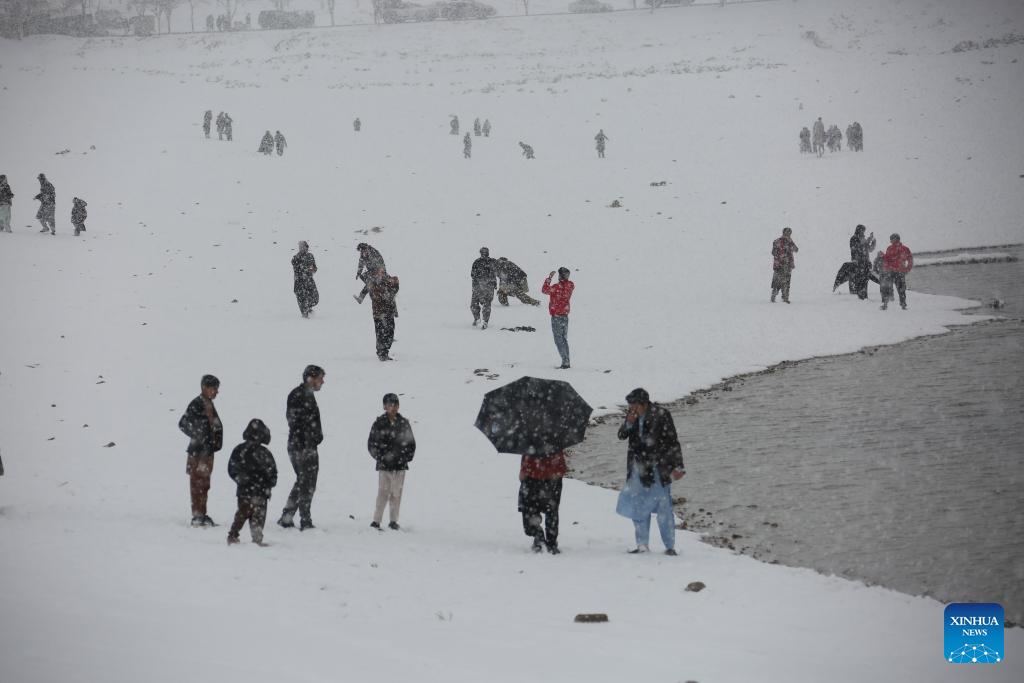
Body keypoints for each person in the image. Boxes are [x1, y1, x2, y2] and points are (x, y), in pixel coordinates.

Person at [615, 388, 685, 556]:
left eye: (634, 405)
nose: (631, 408)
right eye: (630, 405)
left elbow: (673, 441)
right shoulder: (632, 415)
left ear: (643, 403)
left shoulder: (662, 414)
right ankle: (642, 544)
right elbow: (621, 435)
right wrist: (628, 423)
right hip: (637, 467)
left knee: (664, 507)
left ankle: (670, 546)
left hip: (658, 467)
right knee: (638, 505)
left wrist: (678, 465)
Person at [278, 365, 325, 531]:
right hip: (301, 446)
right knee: (306, 481)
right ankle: (304, 518)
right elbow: (295, 421)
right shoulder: (298, 395)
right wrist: (309, 438)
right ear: (311, 378)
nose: (322, 382)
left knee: (305, 481)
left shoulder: (307, 395)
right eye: (320, 378)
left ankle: (288, 515)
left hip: (305, 445)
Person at [178, 374, 224, 528]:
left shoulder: (208, 403)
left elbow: (214, 425)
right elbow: (183, 423)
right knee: (197, 484)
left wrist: (215, 442)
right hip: (198, 453)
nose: (216, 392)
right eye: (214, 388)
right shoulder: (196, 403)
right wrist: (199, 435)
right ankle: (197, 515)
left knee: (204, 484)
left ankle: (202, 514)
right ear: (205, 388)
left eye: (217, 389)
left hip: (207, 452)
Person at [367, 393, 416, 530]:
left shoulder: (404, 423)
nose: (393, 408)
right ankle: (376, 520)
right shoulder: (379, 424)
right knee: (383, 493)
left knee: (396, 494)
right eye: (390, 405)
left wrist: (406, 457)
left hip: (400, 466)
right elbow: (371, 444)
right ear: (384, 406)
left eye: (395, 405)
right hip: (385, 466)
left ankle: (393, 520)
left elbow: (411, 443)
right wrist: (381, 457)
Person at [226, 418, 278, 546]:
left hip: (245, 489)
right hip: (260, 490)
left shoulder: (240, 450)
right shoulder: (264, 452)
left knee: (242, 513)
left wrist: (240, 479)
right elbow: (272, 472)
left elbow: (232, 468)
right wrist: (269, 484)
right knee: (258, 516)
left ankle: (233, 535)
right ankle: (256, 539)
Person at [518, 450, 567, 554]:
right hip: (545, 473)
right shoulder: (556, 442)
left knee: (536, 510)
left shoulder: (529, 443)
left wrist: (524, 471)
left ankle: (544, 539)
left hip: (541, 474)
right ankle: (546, 540)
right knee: (549, 510)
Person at [542, 267, 574, 369]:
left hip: (556, 316)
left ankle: (565, 361)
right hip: (565, 315)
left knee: (558, 340)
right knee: (564, 339)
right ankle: (566, 360)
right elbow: (568, 285)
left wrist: (549, 278)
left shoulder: (556, 287)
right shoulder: (570, 285)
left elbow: (544, 290)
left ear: (560, 276)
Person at [368, 269, 400, 361]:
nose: (382, 273)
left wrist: (395, 282)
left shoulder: (387, 280)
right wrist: (386, 292)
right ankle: (382, 353)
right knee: (381, 333)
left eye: (383, 271)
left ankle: (385, 351)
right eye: (380, 271)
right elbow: (375, 296)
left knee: (390, 332)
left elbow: (394, 290)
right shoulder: (372, 282)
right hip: (379, 314)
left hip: (389, 312)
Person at [881, 233, 913, 310]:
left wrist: (907, 269)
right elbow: (887, 259)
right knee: (889, 288)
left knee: (898, 289)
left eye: (892, 239)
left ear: (897, 239)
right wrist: (883, 257)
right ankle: (886, 304)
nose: (890, 240)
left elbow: (910, 260)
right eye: (890, 239)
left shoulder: (904, 248)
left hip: (898, 271)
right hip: (892, 271)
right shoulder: (890, 248)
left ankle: (902, 305)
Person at [470, 246, 496, 329]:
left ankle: (481, 320)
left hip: (484, 287)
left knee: (480, 304)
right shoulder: (490, 262)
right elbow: (473, 274)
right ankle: (481, 320)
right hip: (483, 287)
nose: (484, 254)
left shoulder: (479, 262)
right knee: (482, 304)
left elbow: (472, 275)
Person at [770, 227, 798, 304]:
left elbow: (773, 253)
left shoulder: (777, 241)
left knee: (778, 281)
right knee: (786, 282)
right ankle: (784, 297)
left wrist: (780, 256)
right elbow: (796, 249)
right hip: (786, 265)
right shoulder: (788, 242)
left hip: (779, 265)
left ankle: (775, 295)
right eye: (789, 233)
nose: (789, 235)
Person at [291, 240, 319, 318]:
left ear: (306, 247)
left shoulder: (310, 256)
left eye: (302, 246)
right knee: (302, 298)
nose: (301, 248)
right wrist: (304, 269)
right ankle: (304, 316)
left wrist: (313, 269)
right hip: (299, 282)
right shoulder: (296, 257)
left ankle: (308, 308)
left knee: (315, 298)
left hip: (309, 281)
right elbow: (295, 266)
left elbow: (314, 268)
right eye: (300, 247)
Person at [848, 224, 876, 300]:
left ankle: (864, 296)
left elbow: (869, 249)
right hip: (858, 262)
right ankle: (861, 297)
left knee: (865, 279)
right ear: (858, 230)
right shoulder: (854, 238)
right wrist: (868, 240)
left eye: (864, 230)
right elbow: (857, 248)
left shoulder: (863, 238)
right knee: (860, 279)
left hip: (866, 262)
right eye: (862, 230)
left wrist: (873, 241)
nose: (863, 232)